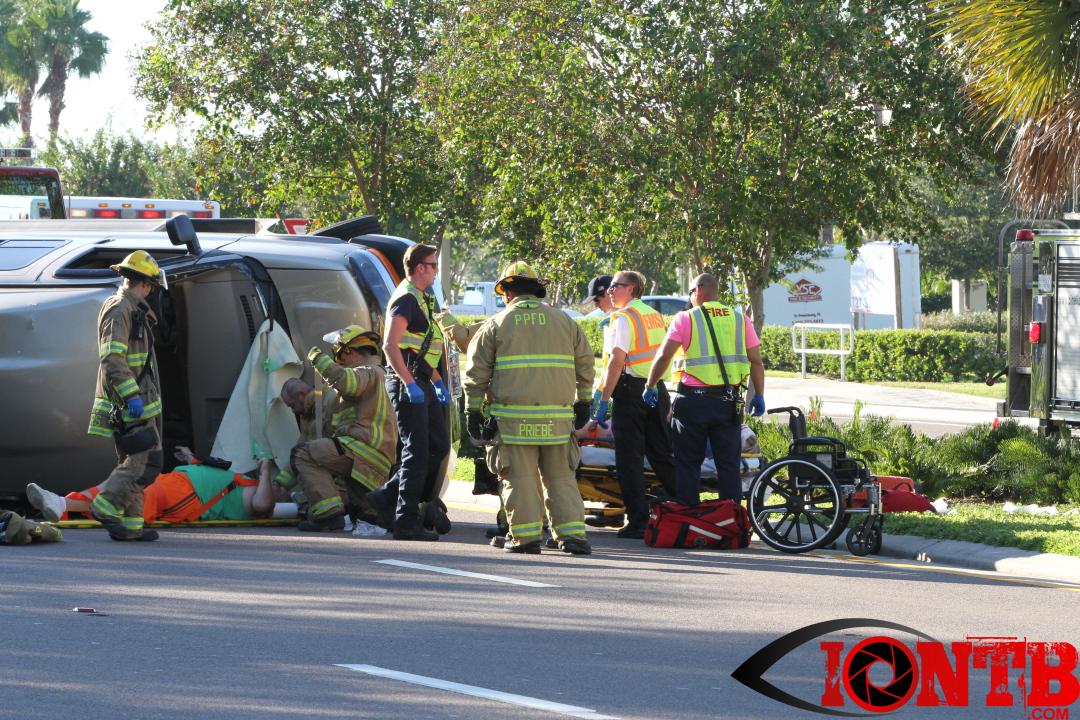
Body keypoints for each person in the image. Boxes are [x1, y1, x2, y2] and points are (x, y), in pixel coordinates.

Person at [465, 261, 596, 555]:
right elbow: (586, 365)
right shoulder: (566, 321)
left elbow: (476, 375)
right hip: (558, 422)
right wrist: (584, 402)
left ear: (508, 293)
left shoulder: (496, 325)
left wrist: (472, 413)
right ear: (536, 290)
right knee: (561, 479)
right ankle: (573, 537)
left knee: (520, 480)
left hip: (513, 423)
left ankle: (525, 538)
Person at [643, 273, 766, 507]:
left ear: (697, 291)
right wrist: (759, 394)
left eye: (690, 293)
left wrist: (650, 386)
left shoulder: (685, 318)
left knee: (688, 463)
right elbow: (756, 362)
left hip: (693, 403)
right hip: (728, 403)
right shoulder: (741, 320)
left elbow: (664, 356)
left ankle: (690, 521)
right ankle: (729, 522)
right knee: (728, 464)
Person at [365, 244, 450, 542]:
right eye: (433, 264)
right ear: (419, 267)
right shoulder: (405, 299)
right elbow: (391, 346)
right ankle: (405, 521)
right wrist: (409, 383)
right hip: (407, 383)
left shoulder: (422, 298)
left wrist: (437, 380)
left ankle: (385, 497)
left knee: (437, 447)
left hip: (422, 381)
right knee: (416, 453)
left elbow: (421, 347)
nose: (437, 270)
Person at [283, 327, 401, 532]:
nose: (341, 364)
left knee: (302, 453)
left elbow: (346, 382)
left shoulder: (366, 372)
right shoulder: (384, 375)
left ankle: (327, 515)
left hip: (362, 450)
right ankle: (425, 511)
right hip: (378, 458)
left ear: (352, 352)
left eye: (341, 358)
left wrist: (317, 359)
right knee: (371, 513)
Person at [85, 250, 167, 542]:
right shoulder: (120, 308)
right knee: (149, 459)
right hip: (131, 401)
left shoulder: (130, 308)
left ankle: (131, 525)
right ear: (145, 283)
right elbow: (112, 359)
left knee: (135, 459)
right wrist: (131, 397)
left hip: (135, 399)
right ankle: (105, 506)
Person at [590, 270, 677, 539]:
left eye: (615, 286)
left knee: (630, 459)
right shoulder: (653, 315)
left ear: (632, 289)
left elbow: (617, 362)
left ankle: (638, 521)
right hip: (655, 390)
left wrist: (604, 399)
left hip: (630, 392)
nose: (610, 292)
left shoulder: (623, 318)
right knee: (662, 454)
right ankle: (687, 507)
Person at [26, 449, 285, 524]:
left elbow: (263, 504)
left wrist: (265, 471)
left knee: (124, 491)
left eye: (283, 488)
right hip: (177, 484)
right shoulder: (251, 483)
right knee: (116, 482)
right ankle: (63, 504)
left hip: (186, 497)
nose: (277, 483)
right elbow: (221, 477)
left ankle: (60, 504)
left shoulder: (263, 500)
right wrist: (192, 459)